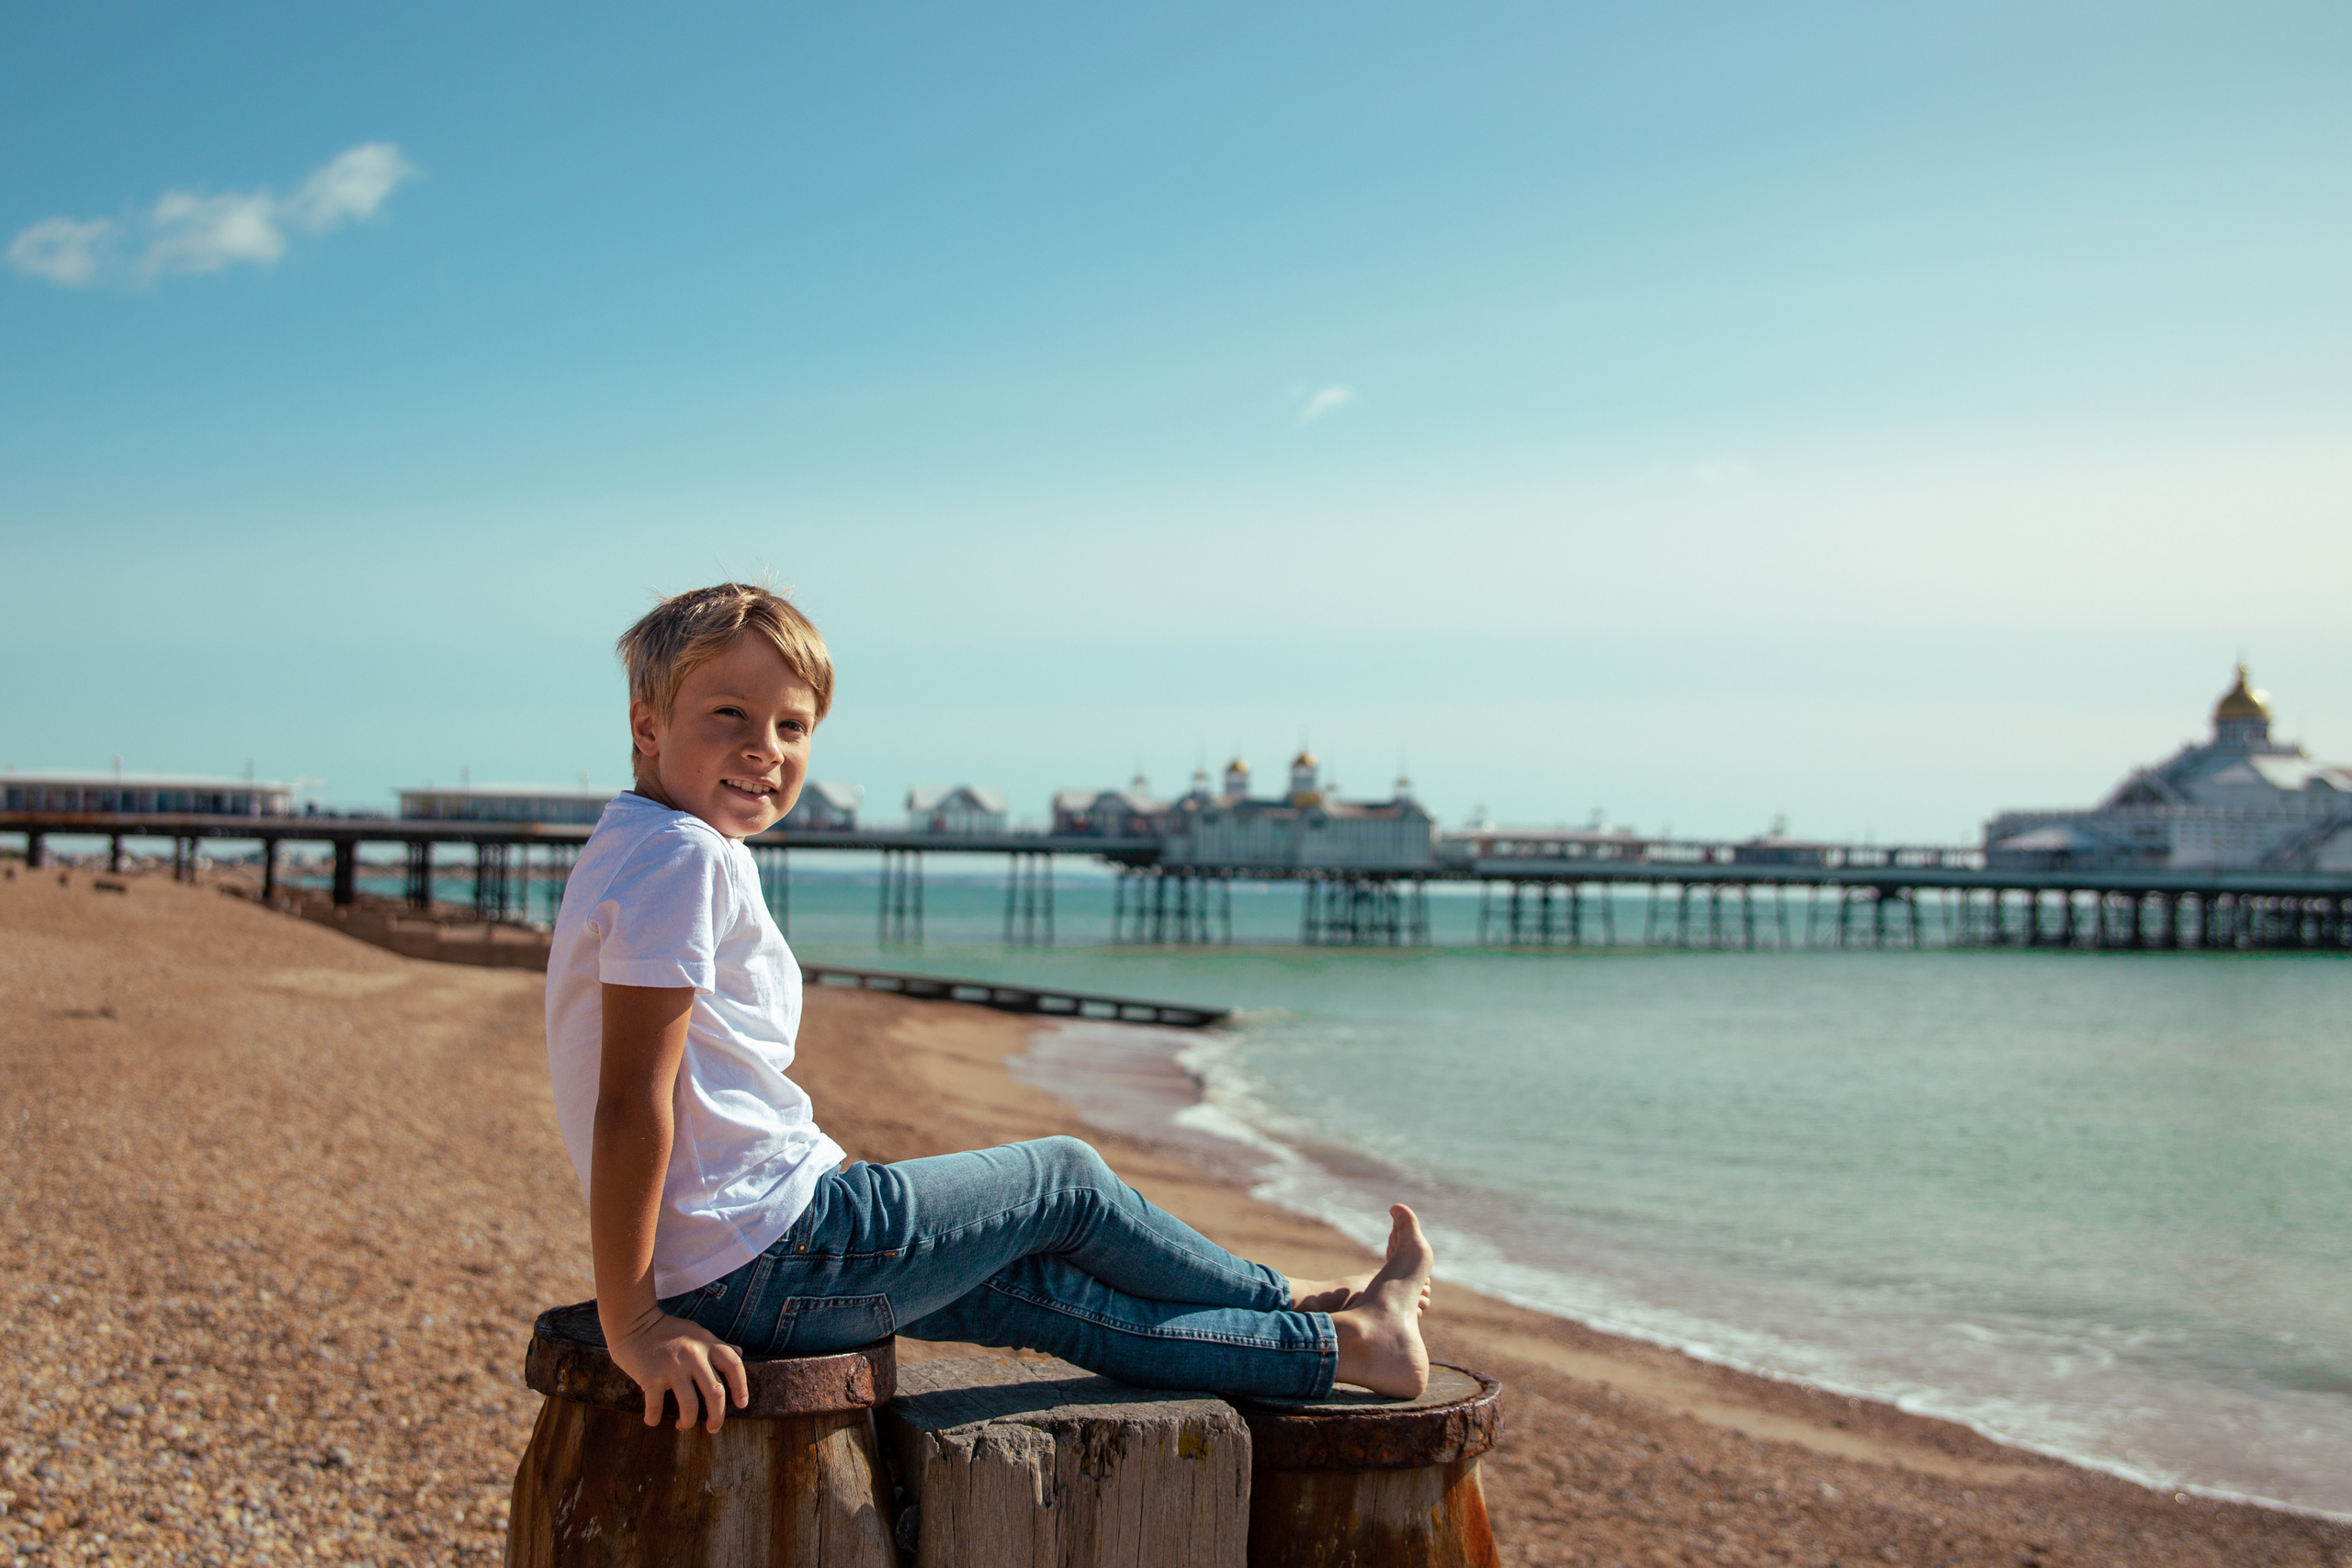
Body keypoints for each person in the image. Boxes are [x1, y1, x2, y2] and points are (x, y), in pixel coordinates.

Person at [544, 581, 1435, 1433]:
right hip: (772, 1253)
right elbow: (629, 1101)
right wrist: (633, 1325)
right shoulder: (681, 858)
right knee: (1064, 1178)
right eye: (729, 715)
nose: (764, 749)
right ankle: (1285, 1299)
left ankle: (1347, 1344)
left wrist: (661, 1292)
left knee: (1054, 1300)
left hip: (743, 1263)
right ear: (647, 725)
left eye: (792, 725)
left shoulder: (643, 842)